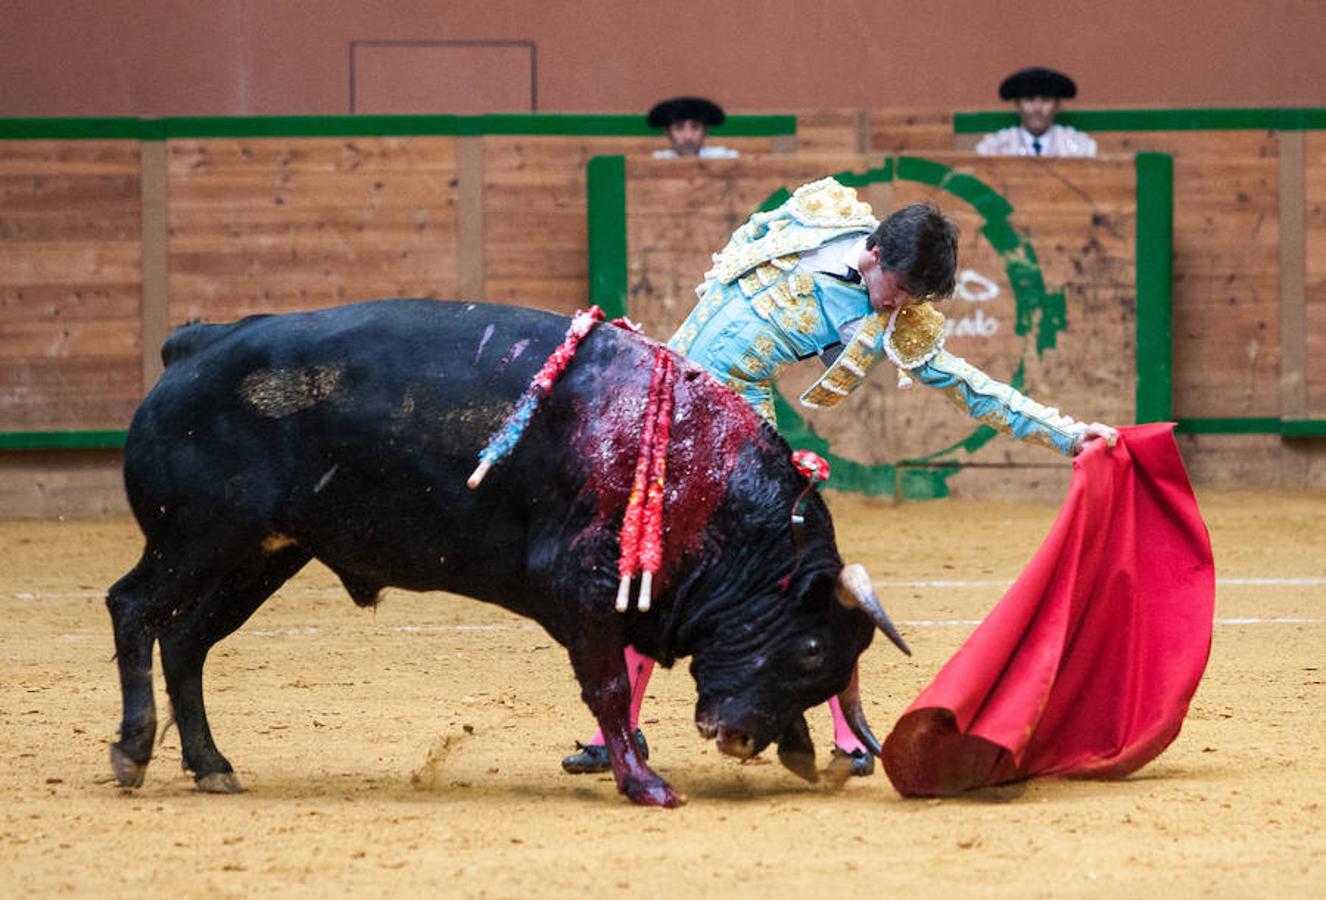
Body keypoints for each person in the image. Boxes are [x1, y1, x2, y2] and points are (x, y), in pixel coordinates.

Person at [561, 176, 1117, 778]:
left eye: (910, 300)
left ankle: (844, 736)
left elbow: (966, 384)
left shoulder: (878, 321)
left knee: (746, 573)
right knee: (645, 563)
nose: (896, 306)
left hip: (736, 431)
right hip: (666, 398)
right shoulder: (819, 216)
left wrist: (1064, 434)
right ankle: (620, 731)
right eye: (897, 289)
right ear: (874, 251)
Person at [975, 66, 1096, 158]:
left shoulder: (1081, 148)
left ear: (1057, 105)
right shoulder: (993, 149)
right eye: (1029, 99)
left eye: (1046, 100)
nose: (1037, 108)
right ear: (1017, 105)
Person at [648, 96, 739, 159]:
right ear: (667, 132)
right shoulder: (656, 162)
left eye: (695, 127)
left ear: (705, 131)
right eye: (679, 128)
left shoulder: (724, 158)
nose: (688, 136)